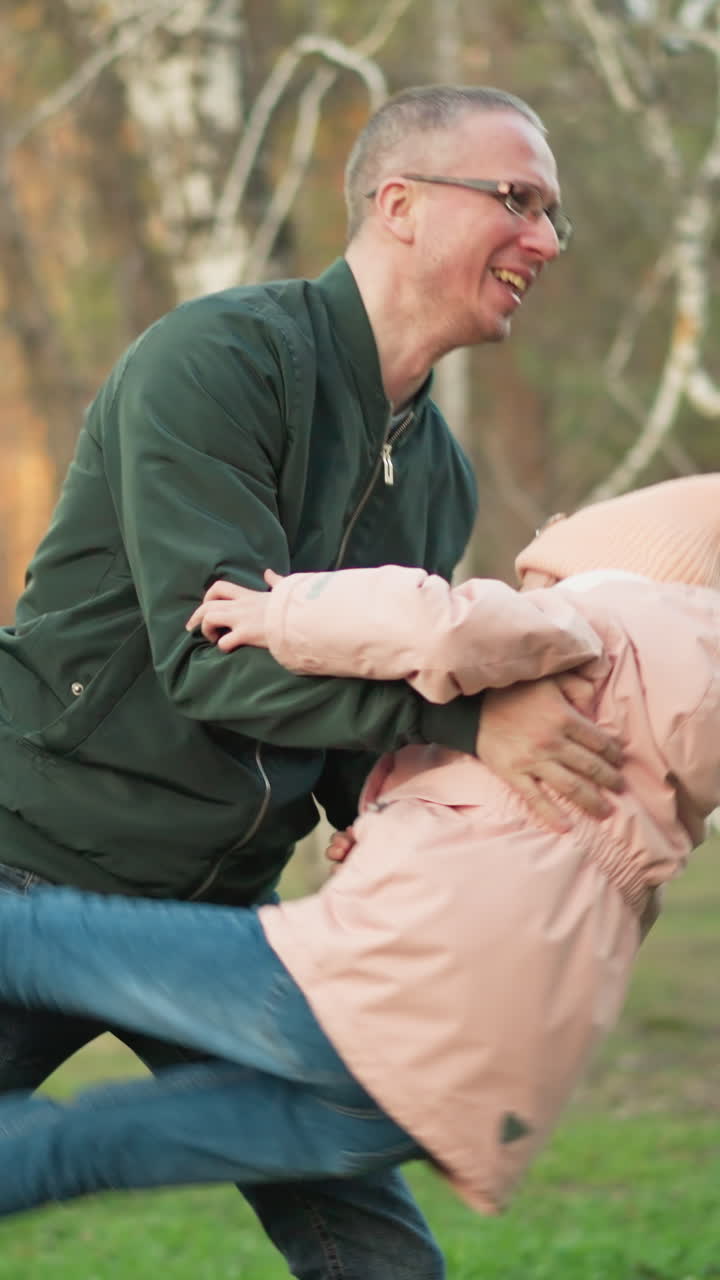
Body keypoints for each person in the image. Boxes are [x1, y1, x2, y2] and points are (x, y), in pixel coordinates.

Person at [0, 83, 622, 1276]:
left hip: (220, 911)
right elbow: (212, 659)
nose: (543, 239)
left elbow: (361, 703)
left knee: (378, 1253)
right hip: (42, 866)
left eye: (553, 214)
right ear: (399, 204)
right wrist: (465, 717)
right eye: (518, 200)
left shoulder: (436, 470)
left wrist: (387, 809)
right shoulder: (217, 362)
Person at [0, 475, 715, 1223]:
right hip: (442, 1094)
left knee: (41, 940)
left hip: (373, 995)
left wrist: (278, 610)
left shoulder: (604, 622)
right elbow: (539, 864)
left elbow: (438, 624)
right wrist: (390, 828)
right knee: (84, 1146)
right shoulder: (671, 741)